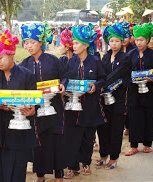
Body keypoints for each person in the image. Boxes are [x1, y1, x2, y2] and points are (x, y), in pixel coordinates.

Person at [0, 29, 38, 182]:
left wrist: (32, 111)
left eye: (0, 57)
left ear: (11, 54)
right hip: (0, 130)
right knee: (4, 170)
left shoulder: (26, 75)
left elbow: (35, 101)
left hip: (21, 130)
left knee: (18, 169)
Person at [19, 22, 67, 182]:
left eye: (33, 42)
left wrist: (63, 85)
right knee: (37, 141)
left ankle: (59, 174)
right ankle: (40, 175)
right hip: (35, 110)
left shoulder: (53, 60)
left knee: (57, 140)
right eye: (26, 42)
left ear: (40, 42)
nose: (29, 45)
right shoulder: (24, 64)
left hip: (55, 108)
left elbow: (64, 76)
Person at [63, 24, 106, 178]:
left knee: (87, 137)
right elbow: (66, 77)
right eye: (73, 43)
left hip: (90, 106)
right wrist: (63, 85)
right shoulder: (71, 62)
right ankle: (71, 166)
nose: (73, 46)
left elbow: (103, 78)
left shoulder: (95, 61)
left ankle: (86, 163)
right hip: (72, 107)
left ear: (86, 45)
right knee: (71, 138)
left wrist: (96, 86)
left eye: (76, 43)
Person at [96, 23, 132, 169]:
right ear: (108, 42)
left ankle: (114, 157)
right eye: (111, 41)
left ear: (122, 41)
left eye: (117, 40)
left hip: (119, 98)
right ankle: (103, 154)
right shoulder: (105, 57)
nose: (114, 43)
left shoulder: (126, 58)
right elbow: (101, 73)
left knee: (116, 128)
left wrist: (102, 84)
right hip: (104, 98)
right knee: (103, 126)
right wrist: (100, 84)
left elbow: (116, 75)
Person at [125, 23, 153, 156]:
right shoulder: (130, 55)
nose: (139, 42)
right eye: (137, 39)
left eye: (142, 40)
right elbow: (126, 72)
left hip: (150, 91)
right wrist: (131, 79)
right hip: (134, 91)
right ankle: (133, 146)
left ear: (147, 40)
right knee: (134, 117)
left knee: (148, 116)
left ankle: (147, 143)